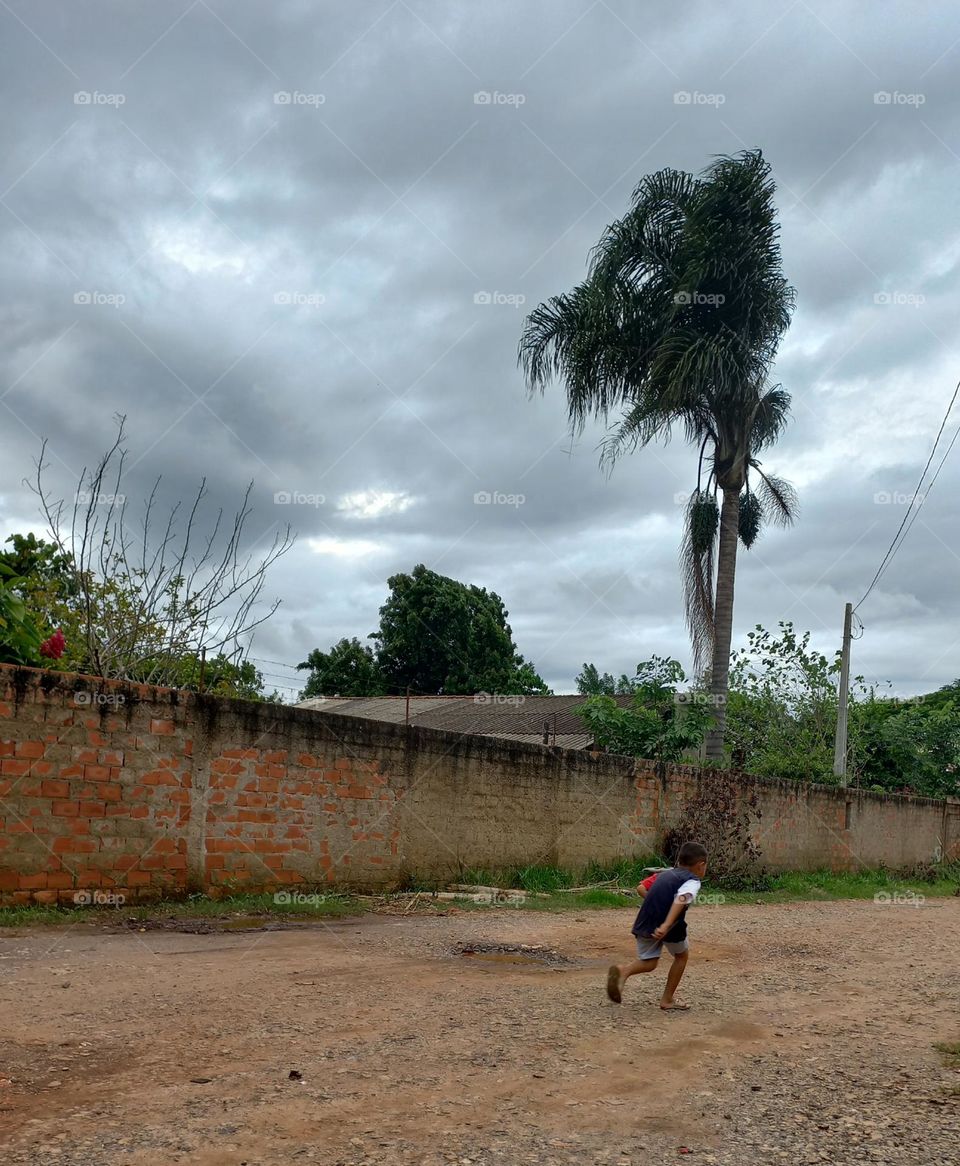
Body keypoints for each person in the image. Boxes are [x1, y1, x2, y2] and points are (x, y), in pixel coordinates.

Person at [606, 842, 708, 1011]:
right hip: (670, 925)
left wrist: (656, 903)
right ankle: (667, 999)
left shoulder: (664, 875)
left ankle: (623, 971)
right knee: (681, 956)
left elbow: (642, 888)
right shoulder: (692, 880)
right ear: (701, 865)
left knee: (649, 962)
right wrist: (666, 923)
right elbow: (681, 899)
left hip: (646, 920)